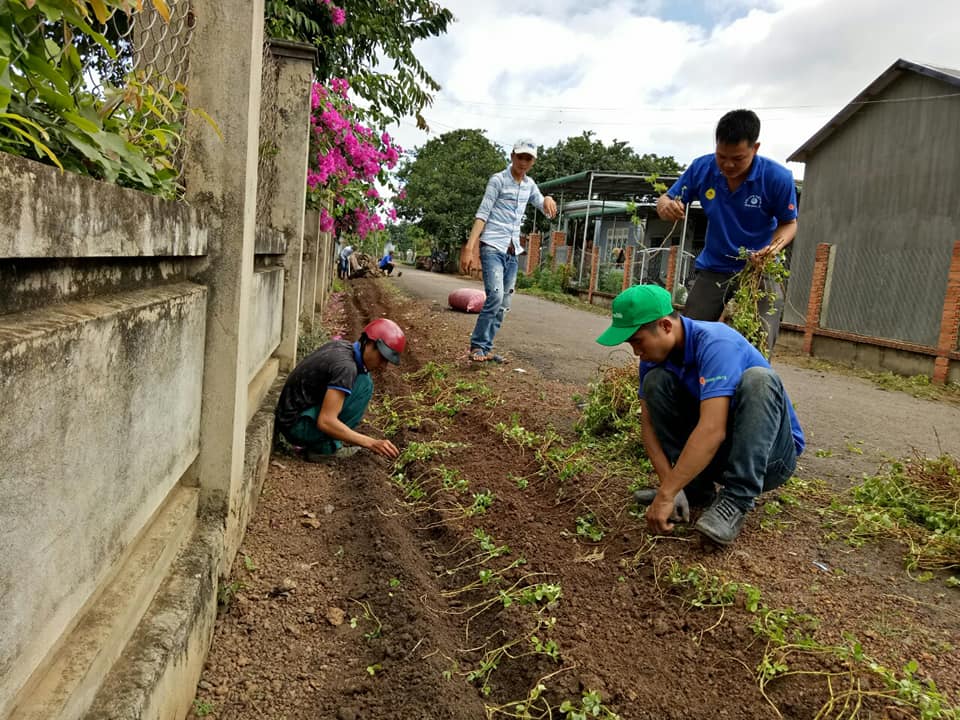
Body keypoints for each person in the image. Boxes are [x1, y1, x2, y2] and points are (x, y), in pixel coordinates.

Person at [596, 284, 805, 546]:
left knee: (759, 380)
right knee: (655, 382)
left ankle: (736, 500)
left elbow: (712, 430)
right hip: (722, 453)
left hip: (770, 459)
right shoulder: (653, 360)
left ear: (665, 326)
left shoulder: (717, 343)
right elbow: (648, 427)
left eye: (637, 341)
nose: (636, 352)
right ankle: (695, 489)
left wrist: (664, 496)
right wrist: (669, 487)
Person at [656, 109, 798, 354]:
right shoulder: (703, 168)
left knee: (757, 341)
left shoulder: (777, 178)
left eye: (738, 158)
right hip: (714, 268)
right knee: (688, 338)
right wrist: (667, 206)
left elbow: (789, 223)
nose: (728, 164)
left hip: (758, 270)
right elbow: (665, 199)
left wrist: (770, 250)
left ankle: (748, 386)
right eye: (722, 156)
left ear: (756, 148)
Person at [460, 139, 558, 362]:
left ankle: (485, 349)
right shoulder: (498, 181)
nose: (524, 162)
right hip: (493, 245)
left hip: (513, 250)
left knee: (504, 304)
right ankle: (476, 346)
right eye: (520, 157)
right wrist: (469, 247)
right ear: (512, 156)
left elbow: (545, 208)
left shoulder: (529, 185)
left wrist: (549, 199)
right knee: (494, 295)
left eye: (529, 158)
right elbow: (483, 213)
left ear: (533, 161)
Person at [274, 318, 404, 461]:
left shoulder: (342, 347)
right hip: (295, 427)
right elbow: (326, 421)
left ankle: (324, 441)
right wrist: (371, 443)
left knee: (365, 381)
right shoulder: (346, 368)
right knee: (364, 389)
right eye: (382, 358)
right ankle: (324, 448)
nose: (383, 366)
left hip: (290, 415)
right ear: (369, 344)